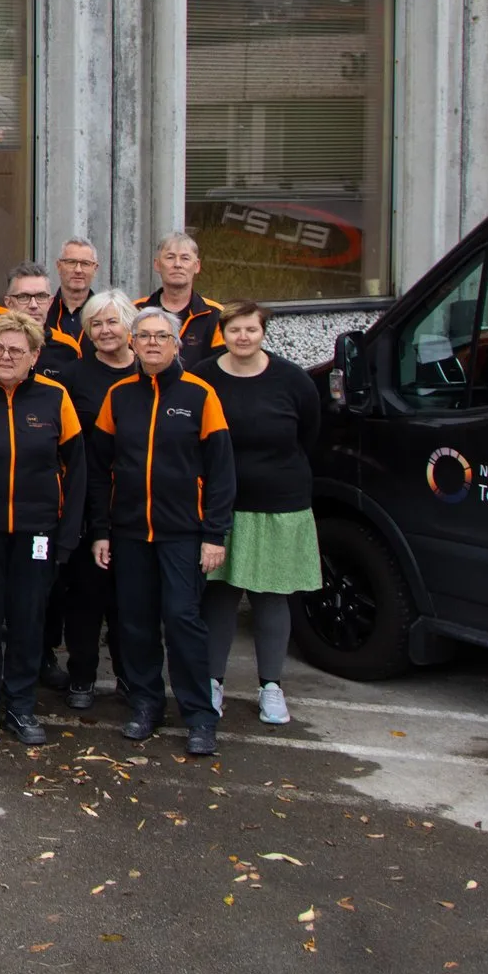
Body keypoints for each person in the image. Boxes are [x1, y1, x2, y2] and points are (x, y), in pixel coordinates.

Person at [86, 307, 236, 755]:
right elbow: (98, 469)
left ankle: (199, 716)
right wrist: (101, 530)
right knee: (135, 623)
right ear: (132, 344)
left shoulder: (199, 394)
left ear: (175, 344)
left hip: (182, 533)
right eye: (144, 336)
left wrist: (215, 534)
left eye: (160, 336)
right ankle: (147, 704)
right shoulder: (119, 396)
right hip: (130, 532)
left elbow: (222, 471)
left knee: (183, 620)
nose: (151, 343)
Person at [0, 310, 86, 748]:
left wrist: (67, 534)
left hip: (37, 532)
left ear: (35, 355)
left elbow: (77, 470)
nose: (5, 356)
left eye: (16, 350)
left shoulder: (55, 397)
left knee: (28, 619)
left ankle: (21, 704)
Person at [199, 301, 320, 726]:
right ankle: (212, 683)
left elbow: (310, 434)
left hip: (279, 505)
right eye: (235, 330)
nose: (244, 337)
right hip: (222, 506)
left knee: (271, 597)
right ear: (223, 333)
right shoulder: (205, 376)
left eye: (251, 329)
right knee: (219, 596)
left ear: (263, 332)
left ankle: (271, 687)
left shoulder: (293, 380)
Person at [49, 290, 142, 711]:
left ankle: (131, 676)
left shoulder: (149, 372)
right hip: (87, 500)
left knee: (132, 601)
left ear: (129, 328)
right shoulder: (72, 376)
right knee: (86, 597)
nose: (105, 331)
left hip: (140, 503)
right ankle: (83, 677)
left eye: (112, 322)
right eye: (96, 324)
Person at [144, 231, 225, 366]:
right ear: (157, 264)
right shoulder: (137, 310)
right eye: (170, 257)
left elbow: (221, 365)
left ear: (197, 266)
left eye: (185, 258)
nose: (177, 264)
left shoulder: (216, 314)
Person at [1, 262, 77, 374]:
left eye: (41, 296)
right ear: (9, 303)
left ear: (50, 302)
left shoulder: (69, 348)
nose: (33, 305)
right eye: (24, 297)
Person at [46, 239, 101, 358]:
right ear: (59, 266)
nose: (78, 270)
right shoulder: (43, 310)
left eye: (85, 263)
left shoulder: (105, 313)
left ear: (95, 269)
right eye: (71, 262)